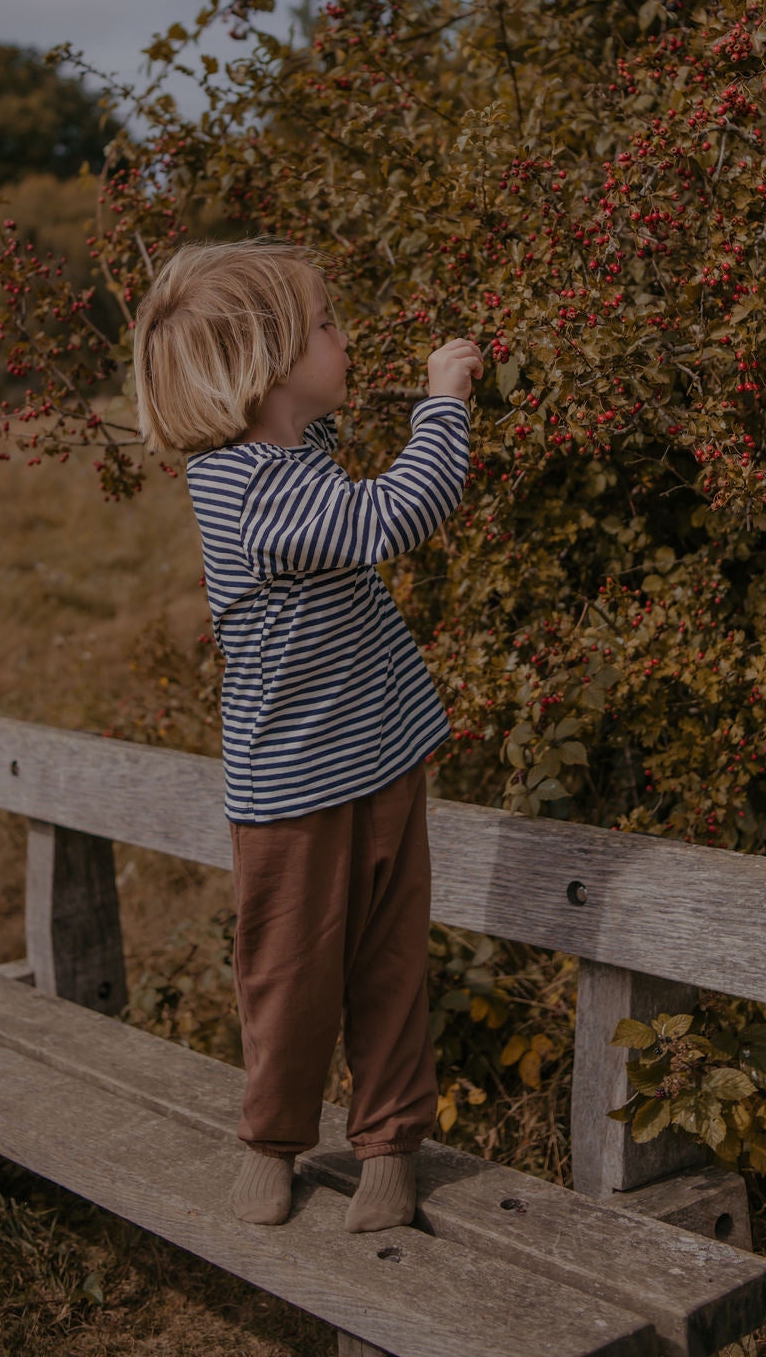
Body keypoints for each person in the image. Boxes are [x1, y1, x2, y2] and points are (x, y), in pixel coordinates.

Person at [132, 235, 482, 1231]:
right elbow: (397, 512)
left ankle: (388, 1147)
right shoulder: (252, 490)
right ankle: (273, 1141)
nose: (343, 334)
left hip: (382, 763)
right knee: (287, 983)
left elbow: (337, 470)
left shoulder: (293, 454)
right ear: (262, 364)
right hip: (291, 794)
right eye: (324, 324)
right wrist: (442, 399)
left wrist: (346, 398)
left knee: (389, 965)